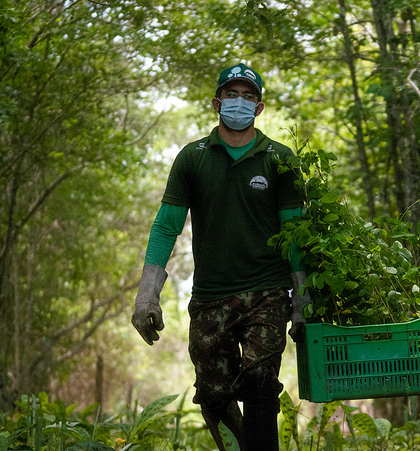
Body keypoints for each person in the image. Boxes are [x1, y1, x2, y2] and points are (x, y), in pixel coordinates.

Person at [130, 63, 310, 451]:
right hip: (211, 296)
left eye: (249, 96)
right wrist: (147, 294)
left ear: (259, 108)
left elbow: (296, 234)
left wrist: (303, 300)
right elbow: (166, 226)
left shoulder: (280, 159)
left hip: (268, 292)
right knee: (213, 397)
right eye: (232, 94)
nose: (239, 102)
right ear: (216, 102)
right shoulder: (192, 159)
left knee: (261, 385)